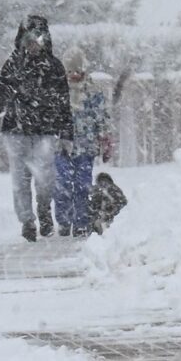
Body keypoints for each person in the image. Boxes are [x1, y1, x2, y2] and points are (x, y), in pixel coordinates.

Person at [0, 15, 74, 241]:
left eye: (37, 40)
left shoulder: (54, 67)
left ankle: (44, 211)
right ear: (22, 40)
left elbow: (64, 101)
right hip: (16, 130)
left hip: (45, 131)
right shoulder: (13, 64)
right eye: (28, 40)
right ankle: (27, 221)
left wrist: (66, 132)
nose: (33, 45)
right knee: (20, 180)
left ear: (45, 40)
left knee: (45, 178)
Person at [53, 50, 112, 237]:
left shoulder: (93, 93)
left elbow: (101, 118)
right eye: (69, 71)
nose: (73, 75)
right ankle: (64, 220)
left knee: (82, 186)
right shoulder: (56, 92)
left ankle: (81, 222)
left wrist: (105, 139)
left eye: (77, 71)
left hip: (86, 148)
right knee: (62, 184)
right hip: (60, 147)